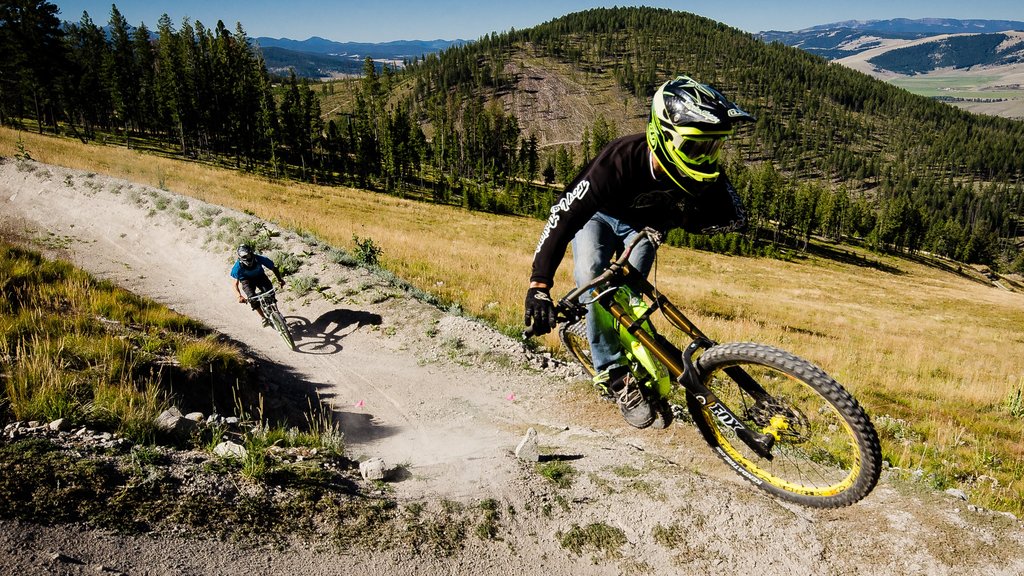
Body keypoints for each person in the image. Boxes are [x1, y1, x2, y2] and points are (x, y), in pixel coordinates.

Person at [523, 75, 753, 428]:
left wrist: (684, 219)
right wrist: (539, 284)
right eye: (696, 147)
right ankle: (614, 375)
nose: (706, 158)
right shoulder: (618, 160)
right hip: (596, 218)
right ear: (664, 137)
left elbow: (735, 219)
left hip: (642, 228)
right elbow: (564, 214)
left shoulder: (701, 173)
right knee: (594, 279)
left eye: (713, 147)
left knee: (630, 297)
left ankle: (633, 349)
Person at [231, 244, 286, 326]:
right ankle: (263, 318)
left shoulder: (259, 258)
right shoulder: (237, 268)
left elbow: (273, 268)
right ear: (240, 258)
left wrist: (280, 280)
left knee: (270, 292)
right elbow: (235, 284)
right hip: (246, 281)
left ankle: (276, 312)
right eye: (244, 257)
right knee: (252, 298)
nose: (247, 258)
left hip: (260, 276)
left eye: (248, 255)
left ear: (252, 253)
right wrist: (239, 296)